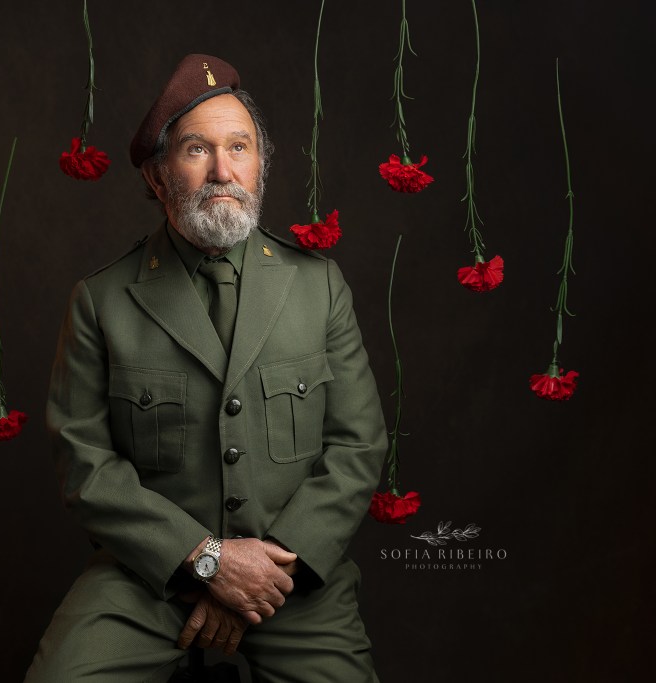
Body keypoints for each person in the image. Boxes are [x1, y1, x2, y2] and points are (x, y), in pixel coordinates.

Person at [24, 54, 388, 683]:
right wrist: (208, 562)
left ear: (260, 164)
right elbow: (85, 462)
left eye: (239, 147)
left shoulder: (319, 286)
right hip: (150, 580)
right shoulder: (103, 301)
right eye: (197, 149)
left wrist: (270, 571)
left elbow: (358, 445)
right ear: (158, 176)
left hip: (290, 581)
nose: (224, 170)